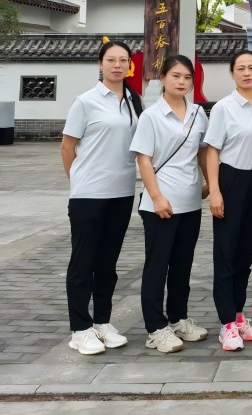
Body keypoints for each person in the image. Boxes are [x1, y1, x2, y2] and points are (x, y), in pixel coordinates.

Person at [61, 38, 143, 355]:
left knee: (107, 264)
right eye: (111, 60)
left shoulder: (133, 100)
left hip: (121, 192)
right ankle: (80, 329)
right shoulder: (86, 101)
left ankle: (102, 323)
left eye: (123, 60)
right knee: (83, 263)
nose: (117, 65)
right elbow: (68, 146)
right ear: (100, 64)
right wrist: (79, 180)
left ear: (129, 65)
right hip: (89, 195)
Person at [130, 54, 210, 353]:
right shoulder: (151, 116)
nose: (182, 82)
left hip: (190, 202)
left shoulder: (198, 113)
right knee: (157, 266)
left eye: (187, 77)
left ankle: (177, 318)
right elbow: (144, 158)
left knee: (182, 265)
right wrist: (156, 197)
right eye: (175, 76)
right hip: (161, 204)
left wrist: (210, 185)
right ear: (162, 78)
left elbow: (202, 152)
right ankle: (155, 328)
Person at [205, 49, 252, 352]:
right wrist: (215, 190)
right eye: (241, 68)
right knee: (226, 252)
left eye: (251, 68)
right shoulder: (223, 108)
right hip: (231, 180)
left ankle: (239, 315)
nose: (246, 73)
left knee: (246, 253)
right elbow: (212, 150)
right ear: (233, 73)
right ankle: (226, 323)